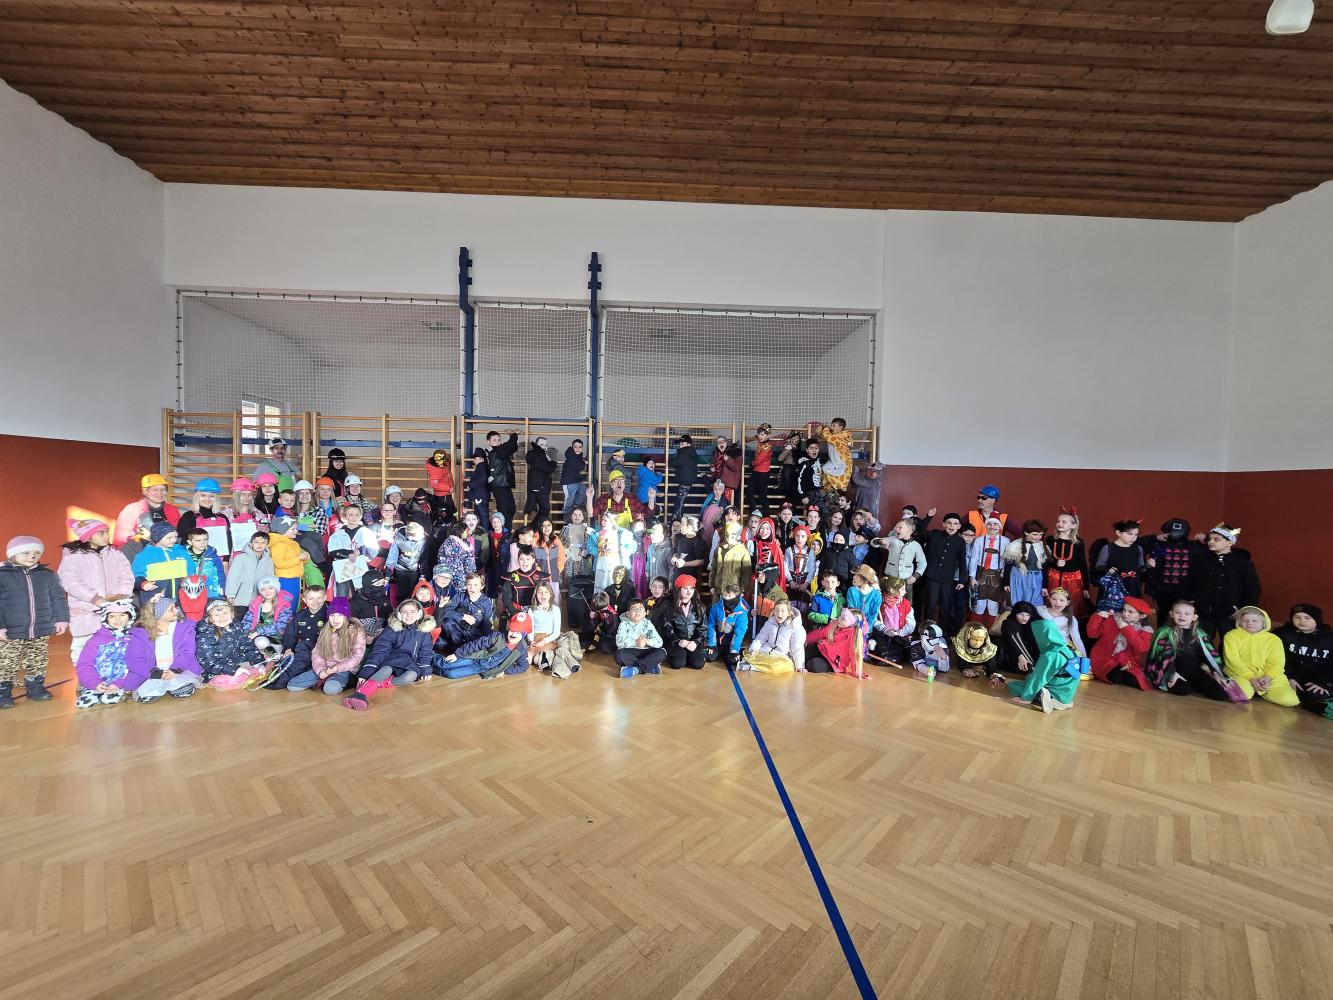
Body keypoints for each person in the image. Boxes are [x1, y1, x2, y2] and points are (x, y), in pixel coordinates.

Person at [0, 536, 68, 708]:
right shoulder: (2, 575)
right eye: (26, 553)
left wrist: (61, 619)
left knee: (37, 659)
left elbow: (58, 597)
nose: (32, 556)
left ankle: (35, 687)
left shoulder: (47, 575)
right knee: (7, 661)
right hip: (10, 630)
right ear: (12, 554)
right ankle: (3, 691)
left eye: (36, 553)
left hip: (40, 628)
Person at [58, 518, 134, 664]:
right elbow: (71, 582)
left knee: (113, 648)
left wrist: (121, 597)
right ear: (87, 536)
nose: (106, 536)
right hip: (85, 612)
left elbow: (126, 577)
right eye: (101, 533)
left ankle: (111, 676)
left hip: (113, 611)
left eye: (107, 532)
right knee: (83, 650)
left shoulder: (116, 554)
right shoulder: (73, 557)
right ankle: (84, 676)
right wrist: (95, 599)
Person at [342, 598, 437, 708]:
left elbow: (425, 652)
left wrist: (425, 669)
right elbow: (380, 650)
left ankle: (376, 684)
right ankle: (360, 694)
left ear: (419, 614)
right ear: (399, 614)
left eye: (412, 612)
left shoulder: (424, 632)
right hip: (391, 660)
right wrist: (366, 672)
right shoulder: (391, 630)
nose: (408, 615)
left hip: (410, 663)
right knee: (385, 670)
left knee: (411, 676)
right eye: (405, 612)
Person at [1146, 598, 1244, 701]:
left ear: (1194, 617)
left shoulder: (1200, 634)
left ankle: (1194, 683)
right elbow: (1161, 656)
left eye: (1187, 614)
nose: (1182, 616)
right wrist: (1171, 674)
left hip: (1194, 671)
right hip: (1174, 670)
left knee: (1220, 694)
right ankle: (1187, 683)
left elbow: (1208, 655)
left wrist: (1215, 673)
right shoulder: (1165, 632)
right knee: (1183, 690)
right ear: (1171, 614)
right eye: (1178, 612)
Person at [73, 599, 153, 708]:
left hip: (125, 680)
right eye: (112, 616)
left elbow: (142, 665)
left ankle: (125, 691)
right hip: (98, 681)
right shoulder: (96, 640)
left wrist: (120, 683)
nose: (117, 620)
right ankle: (93, 690)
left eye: (122, 615)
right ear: (105, 618)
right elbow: (84, 664)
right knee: (84, 703)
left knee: (108, 700)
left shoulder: (136, 638)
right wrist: (94, 683)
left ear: (131, 616)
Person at [1193, 524, 1261, 641]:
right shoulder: (1202, 561)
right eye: (1210, 539)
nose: (1211, 542)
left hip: (1230, 612)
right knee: (1203, 641)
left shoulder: (1243, 564)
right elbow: (1194, 582)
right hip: (1204, 611)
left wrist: (1244, 609)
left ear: (1229, 542)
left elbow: (1252, 588)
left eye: (1217, 539)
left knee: (1229, 641)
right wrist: (1193, 601)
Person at [1222, 606, 1299, 707]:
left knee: (1290, 700)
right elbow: (1232, 661)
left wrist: (1267, 678)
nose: (1249, 623)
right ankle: (1254, 689)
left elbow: (1276, 663)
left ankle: (1260, 689)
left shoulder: (1274, 639)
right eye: (1245, 620)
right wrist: (1251, 678)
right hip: (1241, 674)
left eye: (1255, 620)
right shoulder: (1231, 635)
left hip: (1268, 676)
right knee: (1244, 694)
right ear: (1239, 622)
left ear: (1264, 622)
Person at [288, 598, 367, 694]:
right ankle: (324, 680)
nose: (335, 619)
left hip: (344, 669)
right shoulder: (325, 630)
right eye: (332, 615)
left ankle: (342, 682)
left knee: (330, 689)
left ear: (346, 616)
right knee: (292, 685)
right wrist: (321, 670)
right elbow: (317, 653)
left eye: (340, 615)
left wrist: (336, 668)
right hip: (325, 668)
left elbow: (357, 657)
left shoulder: (355, 631)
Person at [136, 594, 202, 702]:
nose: (177, 611)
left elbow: (187, 651)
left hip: (178, 669)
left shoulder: (184, 628)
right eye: (171, 609)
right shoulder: (141, 633)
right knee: (145, 693)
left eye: (175, 607)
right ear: (158, 614)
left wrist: (175, 669)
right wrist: (157, 673)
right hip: (154, 671)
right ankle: (156, 684)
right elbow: (136, 658)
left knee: (184, 689)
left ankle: (174, 683)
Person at [1006, 618, 1078, 713]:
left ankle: (1049, 697)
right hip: (1068, 691)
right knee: (1029, 680)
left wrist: (1026, 698)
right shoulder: (1067, 648)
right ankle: (1064, 702)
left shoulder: (1050, 655)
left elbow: (1039, 678)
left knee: (1015, 686)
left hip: (1056, 690)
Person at [435, 610, 531, 681]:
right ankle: (430, 660)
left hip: (481, 668)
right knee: (446, 663)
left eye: (518, 632)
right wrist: (457, 654)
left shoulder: (521, 648)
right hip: (475, 657)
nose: (513, 634)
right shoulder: (497, 637)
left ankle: (434, 670)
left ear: (523, 635)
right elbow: (476, 644)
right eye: (512, 630)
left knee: (451, 674)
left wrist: (504, 670)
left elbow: (523, 667)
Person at [1274, 604, 1333, 719]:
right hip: (1295, 679)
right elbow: (1278, 658)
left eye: (1307, 618)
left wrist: (1324, 683)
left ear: (1317, 619)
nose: (1302, 621)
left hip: (1321, 679)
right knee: (1307, 696)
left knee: (1318, 693)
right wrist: (1289, 676)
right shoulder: (1282, 634)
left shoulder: (1329, 638)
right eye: (1297, 617)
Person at [194, 599, 267, 689]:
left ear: (232, 614)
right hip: (216, 669)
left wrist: (258, 662)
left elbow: (248, 646)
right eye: (217, 615)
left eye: (225, 613)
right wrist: (233, 670)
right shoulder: (206, 634)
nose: (222, 617)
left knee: (264, 661)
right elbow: (208, 661)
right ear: (209, 618)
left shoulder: (237, 627)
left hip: (237, 661)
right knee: (234, 680)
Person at [1087, 596, 1153, 689]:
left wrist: (1126, 628)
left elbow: (1142, 648)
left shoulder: (1145, 630)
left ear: (1142, 616)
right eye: (1124, 610)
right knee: (1114, 678)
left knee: (1135, 681)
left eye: (1130, 612)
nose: (1125, 614)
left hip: (1127, 662)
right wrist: (1098, 617)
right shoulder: (1112, 618)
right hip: (1104, 658)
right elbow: (1092, 634)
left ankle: (1121, 672)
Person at [920, 513, 968, 635]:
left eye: (955, 524)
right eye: (949, 523)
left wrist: (962, 580)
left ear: (959, 526)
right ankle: (926, 632)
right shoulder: (935, 534)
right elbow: (921, 529)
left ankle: (943, 633)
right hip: (932, 577)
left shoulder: (960, 542)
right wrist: (929, 517)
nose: (952, 526)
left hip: (947, 579)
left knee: (946, 607)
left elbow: (962, 562)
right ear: (943, 524)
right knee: (930, 606)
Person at [1147, 517, 1198, 623]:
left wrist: (1205, 537)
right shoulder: (1158, 544)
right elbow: (1138, 543)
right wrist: (1155, 537)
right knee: (1163, 617)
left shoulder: (1194, 546)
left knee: (1183, 618)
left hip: (1185, 592)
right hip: (1162, 591)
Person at [1090, 519, 1147, 612]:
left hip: (1132, 585)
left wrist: (1148, 565)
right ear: (1118, 533)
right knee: (1111, 612)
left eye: (1136, 534)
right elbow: (1099, 566)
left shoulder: (1138, 548)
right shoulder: (1108, 548)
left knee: (1130, 611)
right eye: (1129, 534)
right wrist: (1108, 570)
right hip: (1113, 587)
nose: (1133, 537)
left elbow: (1141, 568)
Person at [1045, 507, 1090, 617]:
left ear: (1073, 526)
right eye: (1058, 521)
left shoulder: (1078, 542)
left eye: (1064, 522)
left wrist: (1086, 587)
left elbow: (1082, 563)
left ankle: (1068, 624)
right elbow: (1045, 560)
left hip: (1072, 580)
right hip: (1053, 577)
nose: (1059, 524)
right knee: (1052, 603)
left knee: (1070, 605)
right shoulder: (1051, 539)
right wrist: (1055, 563)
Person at [113, 473, 181, 546]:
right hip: (140, 550)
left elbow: (179, 533)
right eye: (155, 490)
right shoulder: (132, 510)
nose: (160, 493)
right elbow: (122, 539)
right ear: (145, 491)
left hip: (168, 550)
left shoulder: (172, 509)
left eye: (163, 489)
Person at [435, 572, 494, 655]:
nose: (472, 588)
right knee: (446, 624)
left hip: (473, 633)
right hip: (456, 631)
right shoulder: (460, 596)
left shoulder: (486, 603)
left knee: (477, 647)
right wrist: (463, 616)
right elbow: (446, 611)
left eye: (475, 585)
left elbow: (487, 624)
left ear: (482, 586)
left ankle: (462, 650)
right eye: (469, 584)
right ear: (466, 585)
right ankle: (455, 650)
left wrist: (488, 643)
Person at [741, 599, 806, 673]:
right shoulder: (769, 623)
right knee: (751, 654)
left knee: (781, 666)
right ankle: (748, 664)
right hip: (766, 652)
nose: (779, 613)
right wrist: (754, 649)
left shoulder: (795, 627)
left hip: (782, 657)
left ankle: (751, 667)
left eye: (782, 611)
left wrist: (799, 666)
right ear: (773, 611)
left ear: (789, 613)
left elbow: (797, 648)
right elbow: (760, 638)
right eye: (777, 610)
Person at [131, 523, 190, 603]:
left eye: (175, 537)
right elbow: (136, 576)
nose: (174, 540)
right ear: (157, 537)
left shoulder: (181, 552)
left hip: (180, 599)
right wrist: (143, 584)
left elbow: (191, 572)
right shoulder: (145, 556)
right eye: (169, 537)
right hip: (155, 599)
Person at [659, 575, 707, 669]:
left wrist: (696, 642)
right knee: (677, 664)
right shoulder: (670, 607)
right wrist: (678, 640)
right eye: (685, 588)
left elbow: (703, 627)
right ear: (678, 590)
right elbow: (667, 627)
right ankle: (679, 655)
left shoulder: (700, 607)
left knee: (698, 664)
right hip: (677, 642)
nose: (689, 591)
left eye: (691, 588)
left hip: (692, 642)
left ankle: (688, 655)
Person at [1038, 588, 1089, 678]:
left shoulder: (1070, 619)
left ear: (1067, 602)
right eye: (1054, 599)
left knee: (1073, 671)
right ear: (1050, 599)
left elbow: (1077, 639)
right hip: (1045, 646)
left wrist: (1084, 658)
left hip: (1064, 647)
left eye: (1062, 600)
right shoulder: (1041, 611)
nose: (1057, 603)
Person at [175, 477, 234, 556]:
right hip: (196, 559)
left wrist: (226, 560)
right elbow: (183, 542)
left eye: (211, 496)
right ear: (197, 497)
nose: (207, 499)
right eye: (203, 495)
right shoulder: (188, 517)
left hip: (220, 560)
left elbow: (228, 541)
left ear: (216, 498)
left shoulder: (223, 517)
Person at [805, 607, 868, 678]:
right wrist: (805, 639)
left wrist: (858, 673)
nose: (839, 618)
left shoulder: (854, 636)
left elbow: (855, 655)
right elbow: (820, 633)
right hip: (823, 650)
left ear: (852, 624)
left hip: (833, 663)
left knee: (813, 665)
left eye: (843, 618)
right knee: (805, 652)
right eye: (840, 615)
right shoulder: (835, 624)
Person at [241, 576, 294, 658]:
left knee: (261, 643)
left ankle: (274, 657)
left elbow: (281, 626)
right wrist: (245, 634)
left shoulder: (284, 605)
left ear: (276, 588)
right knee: (249, 645)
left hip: (275, 639)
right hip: (256, 637)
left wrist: (258, 632)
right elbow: (247, 622)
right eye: (263, 589)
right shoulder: (255, 604)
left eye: (270, 588)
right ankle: (265, 658)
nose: (267, 592)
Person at [866, 577, 914, 664]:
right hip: (884, 634)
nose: (905, 592)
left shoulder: (906, 603)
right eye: (902, 589)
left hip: (900, 635)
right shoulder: (879, 601)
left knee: (901, 648)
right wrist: (885, 630)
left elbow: (911, 624)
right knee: (880, 645)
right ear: (892, 590)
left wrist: (899, 634)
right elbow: (873, 619)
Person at [967, 516, 1008, 618]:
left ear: (1000, 527)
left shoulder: (1006, 541)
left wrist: (1004, 574)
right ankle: (976, 626)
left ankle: (991, 627)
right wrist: (972, 577)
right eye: (989, 524)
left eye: (995, 524)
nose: (992, 527)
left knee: (993, 604)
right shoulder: (979, 540)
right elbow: (974, 558)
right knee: (979, 603)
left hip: (997, 575)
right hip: (981, 573)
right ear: (986, 526)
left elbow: (1007, 560)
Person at [615, 599, 666, 678]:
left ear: (644, 613)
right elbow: (619, 641)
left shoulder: (648, 624)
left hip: (646, 651)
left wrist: (647, 641)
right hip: (631, 651)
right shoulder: (624, 624)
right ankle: (650, 666)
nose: (638, 612)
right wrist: (635, 642)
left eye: (640, 609)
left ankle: (635, 670)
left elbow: (659, 642)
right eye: (634, 609)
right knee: (619, 655)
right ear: (628, 613)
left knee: (662, 652)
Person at [1003, 519, 1048, 609]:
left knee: (1034, 603)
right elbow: (1007, 566)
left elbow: (1045, 568)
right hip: (1018, 578)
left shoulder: (1042, 546)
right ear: (1026, 532)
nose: (1038, 537)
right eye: (1035, 534)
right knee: (1018, 602)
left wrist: (1044, 586)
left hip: (1036, 579)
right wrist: (1006, 583)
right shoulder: (1015, 546)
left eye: (1040, 534)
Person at [706, 582, 750, 668]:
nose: (726, 598)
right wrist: (711, 644)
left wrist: (734, 650)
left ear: (736, 598)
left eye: (730, 596)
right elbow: (711, 626)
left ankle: (736, 650)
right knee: (709, 657)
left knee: (733, 660)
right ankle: (719, 651)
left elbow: (739, 633)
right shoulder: (715, 607)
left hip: (731, 643)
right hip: (717, 642)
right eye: (725, 595)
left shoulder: (742, 613)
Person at [590, 510, 635, 591]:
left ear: (612, 522)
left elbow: (631, 547)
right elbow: (590, 546)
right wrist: (599, 552)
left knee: (614, 583)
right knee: (601, 584)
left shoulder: (622, 533)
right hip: (601, 562)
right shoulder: (597, 533)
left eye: (605, 520)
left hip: (615, 562)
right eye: (602, 520)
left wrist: (619, 551)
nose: (602, 522)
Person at [484, 430, 520, 525]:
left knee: (511, 508)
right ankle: (502, 530)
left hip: (504, 483)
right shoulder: (496, 451)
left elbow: (513, 447)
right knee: (504, 508)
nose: (498, 442)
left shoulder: (501, 450)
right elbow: (509, 445)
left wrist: (512, 437)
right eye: (494, 440)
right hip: (498, 484)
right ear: (489, 442)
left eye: (499, 440)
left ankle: (506, 529)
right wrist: (514, 435)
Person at [266, 516, 306, 603]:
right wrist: (299, 558)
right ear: (282, 530)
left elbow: (301, 559)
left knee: (294, 602)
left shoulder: (293, 543)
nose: (296, 531)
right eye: (293, 529)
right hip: (284, 579)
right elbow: (279, 564)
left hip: (295, 577)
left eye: (296, 529)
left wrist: (305, 557)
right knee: (286, 603)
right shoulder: (279, 545)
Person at [994, 601, 1039, 676]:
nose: (1024, 618)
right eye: (1021, 614)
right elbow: (1013, 641)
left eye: (1028, 615)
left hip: (1029, 656)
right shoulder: (1008, 624)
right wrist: (1021, 657)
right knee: (1030, 669)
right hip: (1012, 657)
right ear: (1015, 613)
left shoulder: (1032, 622)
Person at [710, 521, 753, 598]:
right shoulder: (719, 550)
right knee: (717, 605)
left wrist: (743, 590)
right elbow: (714, 569)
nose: (729, 536)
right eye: (727, 534)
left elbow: (746, 573)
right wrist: (712, 585)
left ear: (738, 535)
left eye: (733, 534)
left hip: (733, 592)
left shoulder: (743, 551)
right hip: (718, 590)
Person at [220, 477, 260, 556]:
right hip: (233, 556)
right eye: (243, 494)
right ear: (236, 495)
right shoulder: (226, 514)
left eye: (249, 495)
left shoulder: (258, 514)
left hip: (253, 555)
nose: (246, 498)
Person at [527, 582, 561, 670]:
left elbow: (556, 632)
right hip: (536, 638)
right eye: (540, 592)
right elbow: (530, 629)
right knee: (527, 660)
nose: (543, 594)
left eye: (546, 592)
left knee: (537, 659)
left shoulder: (555, 610)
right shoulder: (531, 610)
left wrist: (545, 641)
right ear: (536, 595)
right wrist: (531, 640)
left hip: (549, 638)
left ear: (550, 594)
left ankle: (545, 658)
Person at [525, 437, 557, 523]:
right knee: (545, 509)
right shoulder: (538, 455)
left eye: (546, 445)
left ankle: (534, 527)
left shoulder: (537, 455)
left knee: (544, 510)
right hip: (539, 487)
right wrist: (553, 462)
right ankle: (534, 527)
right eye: (541, 444)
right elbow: (550, 468)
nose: (544, 447)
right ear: (536, 445)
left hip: (538, 486)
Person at [817, 418, 853, 492]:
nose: (832, 428)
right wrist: (821, 428)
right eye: (831, 426)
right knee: (824, 469)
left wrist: (825, 427)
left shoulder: (839, 436)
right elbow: (824, 436)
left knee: (841, 480)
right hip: (834, 461)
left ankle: (837, 490)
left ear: (840, 427)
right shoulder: (834, 436)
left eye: (834, 426)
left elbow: (827, 435)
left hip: (842, 462)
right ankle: (829, 488)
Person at [670, 433, 699, 521]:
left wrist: (670, 461)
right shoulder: (689, 452)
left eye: (682, 443)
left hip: (685, 480)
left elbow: (677, 462)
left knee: (679, 500)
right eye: (680, 444)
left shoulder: (685, 452)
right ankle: (678, 519)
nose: (680, 445)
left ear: (688, 444)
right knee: (680, 500)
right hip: (686, 480)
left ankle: (675, 520)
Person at [846, 564, 882, 631]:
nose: (854, 577)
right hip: (853, 627)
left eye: (857, 576)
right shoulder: (852, 591)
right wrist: (857, 627)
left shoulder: (877, 595)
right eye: (854, 575)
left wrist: (866, 629)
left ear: (865, 580)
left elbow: (873, 615)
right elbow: (851, 610)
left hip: (867, 629)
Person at [560, 507, 591, 585]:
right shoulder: (565, 529)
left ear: (583, 517)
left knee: (583, 581)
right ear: (571, 516)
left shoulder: (588, 530)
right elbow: (561, 544)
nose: (577, 517)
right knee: (569, 582)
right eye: (575, 514)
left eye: (579, 515)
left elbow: (590, 544)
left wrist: (586, 551)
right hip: (569, 559)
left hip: (583, 559)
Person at [561, 439, 588, 520]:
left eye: (580, 447)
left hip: (577, 481)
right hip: (569, 482)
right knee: (569, 500)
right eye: (575, 447)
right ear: (572, 447)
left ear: (582, 448)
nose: (577, 449)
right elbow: (579, 466)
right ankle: (567, 520)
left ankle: (576, 508)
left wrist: (583, 462)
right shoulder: (570, 455)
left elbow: (579, 468)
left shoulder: (579, 457)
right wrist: (584, 463)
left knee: (584, 493)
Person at [749, 424, 775, 510]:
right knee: (749, 491)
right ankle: (754, 512)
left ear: (768, 435)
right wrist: (748, 439)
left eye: (762, 434)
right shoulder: (760, 439)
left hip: (763, 473)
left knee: (762, 495)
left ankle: (766, 515)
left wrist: (751, 464)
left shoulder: (767, 447)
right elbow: (755, 437)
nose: (760, 436)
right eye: (759, 434)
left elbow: (759, 461)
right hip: (756, 471)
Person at [794, 438, 823, 506]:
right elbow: (800, 480)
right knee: (820, 510)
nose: (814, 450)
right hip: (810, 493)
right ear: (807, 450)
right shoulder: (805, 463)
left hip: (820, 491)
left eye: (816, 448)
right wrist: (803, 495)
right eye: (811, 448)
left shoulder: (819, 459)